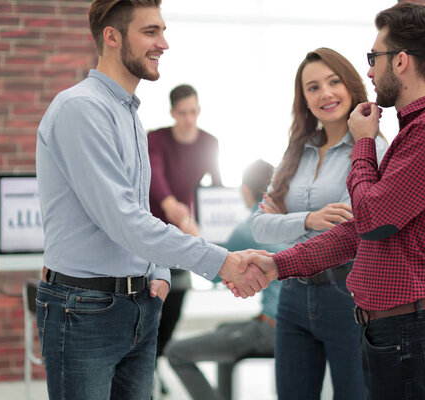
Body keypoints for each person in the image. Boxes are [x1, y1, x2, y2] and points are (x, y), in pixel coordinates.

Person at [241, 3, 425, 399]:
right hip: (390, 328)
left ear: (400, 61)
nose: (369, 70)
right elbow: (359, 232)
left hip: (407, 330)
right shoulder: (418, 129)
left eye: (374, 58)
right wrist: (277, 264)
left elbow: (369, 218)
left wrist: (363, 141)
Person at [34, 1, 267, 399]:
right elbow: (122, 219)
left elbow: (138, 210)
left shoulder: (128, 115)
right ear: (112, 37)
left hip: (138, 304)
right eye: (150, 32)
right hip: (86, 309)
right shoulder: (80, 109)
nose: (164, 43)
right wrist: (221, 261)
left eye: (163, 30)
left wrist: (157, 269)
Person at [250, 48, 388, 400]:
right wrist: (309, 219)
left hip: (349, 296)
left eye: (333, 82)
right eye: (313, 87)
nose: (325, 93)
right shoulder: (297, 151)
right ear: (304, 100)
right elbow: (259, 226)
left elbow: (352, 225)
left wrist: (286, 221)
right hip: (292, 294)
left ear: (350, 86)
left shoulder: (372, 147)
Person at [164, 159, 285, 400]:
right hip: (292, 324)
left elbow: (218, 274)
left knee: (175, 351)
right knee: (224, 331)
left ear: (245, 191)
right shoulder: (292, 218)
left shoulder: (249, 227)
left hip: (272, 331)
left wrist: (194, 234)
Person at [148, 84, 222, 365]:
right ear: (172, 113)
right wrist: (170, 205)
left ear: (198, 110)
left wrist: (214, 227)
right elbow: (156, 176)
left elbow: (214, 190)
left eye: (193, 112)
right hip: (154, 229)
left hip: (185, 232)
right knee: (153, 303)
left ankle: (154, 363)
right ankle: (146, 368)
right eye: (182, 113)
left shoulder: (209, 142)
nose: (189, 119)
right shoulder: (156, 138)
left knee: (176, 305)